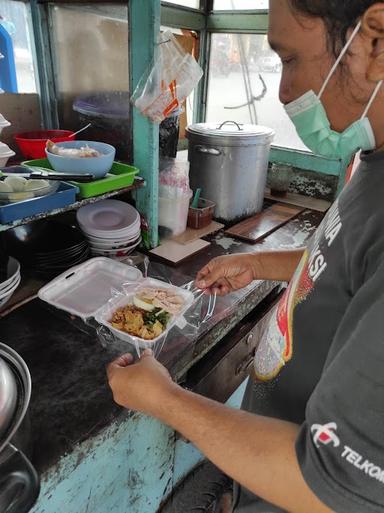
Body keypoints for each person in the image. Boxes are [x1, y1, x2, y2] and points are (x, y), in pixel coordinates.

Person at [107, 1, 384, 511]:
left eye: (290, 58)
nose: (283, 92)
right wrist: (261, 265)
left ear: (373, 41)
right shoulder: (372, 161)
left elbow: (331, 487)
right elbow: (348, 267)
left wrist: (164, 400)